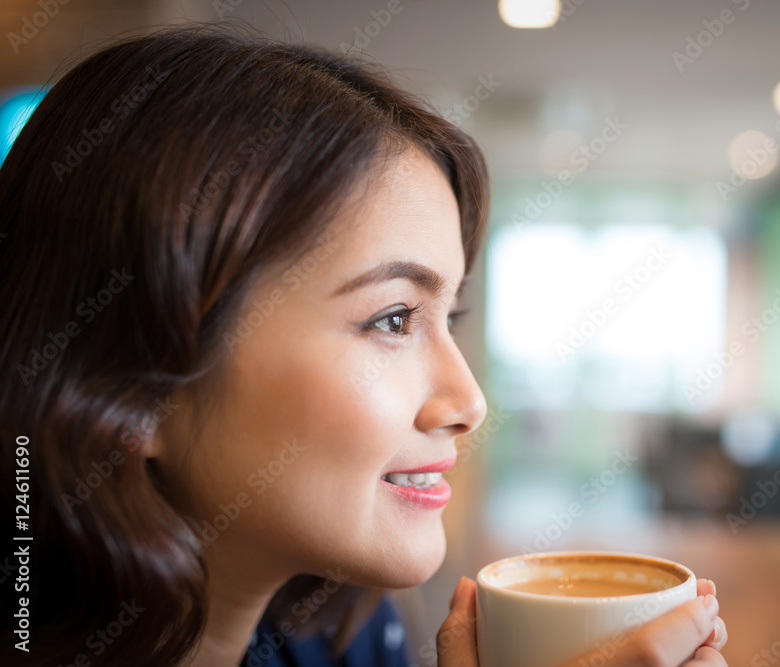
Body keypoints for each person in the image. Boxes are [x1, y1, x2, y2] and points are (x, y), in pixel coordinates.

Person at [0, 23, 728, 667]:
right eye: (393, 318)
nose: (469, 403)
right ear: (138, 386)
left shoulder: (350, 629)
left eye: (450, 315)